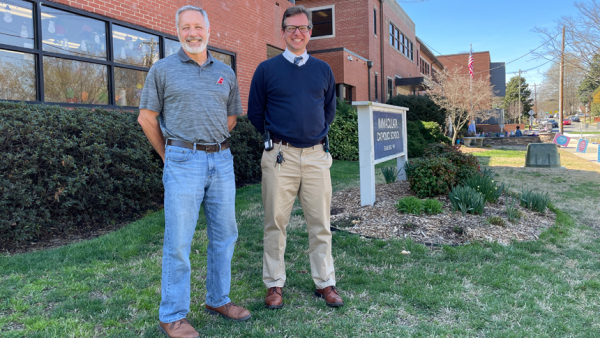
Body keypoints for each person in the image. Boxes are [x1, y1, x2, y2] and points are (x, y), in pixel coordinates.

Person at [138, 6, 250, 338]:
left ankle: (218, 299)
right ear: (177, 31)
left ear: (208, 30)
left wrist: (211, 145)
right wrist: (170, 155)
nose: (192, 32)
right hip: (182, 160)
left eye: (197, 26)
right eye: (185, 27)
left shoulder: (226, 72)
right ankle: (172, 314)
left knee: (225, 235)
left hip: (222, 161)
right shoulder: (162, 69)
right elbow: (147, 118)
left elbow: (230, 119)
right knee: (178, 241)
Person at [247, 5, 343, 310]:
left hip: (316, 155)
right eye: (291, 28)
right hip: (280, 156)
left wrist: (313, 134)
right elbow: (255, 113)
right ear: (283, 32)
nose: (297, 33)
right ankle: (274, 284)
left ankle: (325, 282)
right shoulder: (266, 70)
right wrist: (278, 137)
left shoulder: (323, 69)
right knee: (275, 223)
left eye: (303, 28)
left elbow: (329, 111)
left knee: (321, 223)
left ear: (310, 32)